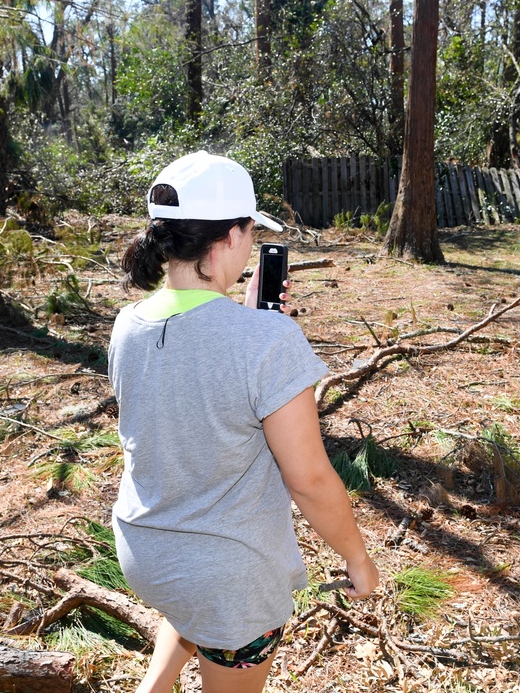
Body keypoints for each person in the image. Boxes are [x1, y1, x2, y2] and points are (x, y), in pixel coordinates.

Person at [108, 150, 380, 693]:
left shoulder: (127, 323)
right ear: (232, 236)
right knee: (211, 616)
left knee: (192, 609)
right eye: (251, 232)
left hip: (146, 550)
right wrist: (358, 559)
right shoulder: (264, 341)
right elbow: (310, 479)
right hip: (229, 577)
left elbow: (193, 372)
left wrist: (247, 320)